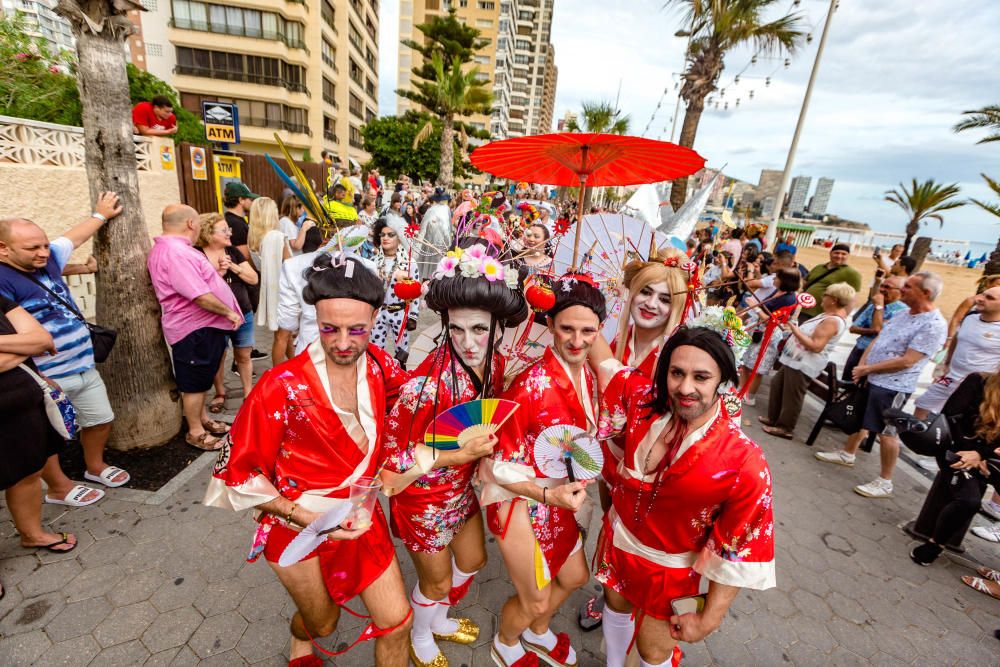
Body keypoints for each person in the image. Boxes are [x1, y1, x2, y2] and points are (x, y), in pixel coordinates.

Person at [204, 253, 412, 667]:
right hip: (297, 527)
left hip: (359, 517)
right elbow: (235, 475)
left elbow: (410, 411)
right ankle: (302, 640)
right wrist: (308, 519)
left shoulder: (382, 366)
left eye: (358, 330)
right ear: (313, 319)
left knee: (398, 622)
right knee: (323, 624)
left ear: (375, 322)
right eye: (329, 328)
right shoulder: (279, 386)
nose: (342, 343)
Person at [589, 324, 775, 667]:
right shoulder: (643, 400)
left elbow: (739, 546)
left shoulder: (743, 460)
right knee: (614, 609)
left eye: (700, 377)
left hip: (674, 572)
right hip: (617, 543)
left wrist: (710, 617)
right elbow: (603, 360)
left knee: (653, 651)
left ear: (721, 381)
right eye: (676, 373)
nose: (685, 388)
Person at [380, 246, 528, 666]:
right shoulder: (425, 386)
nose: (468, 342)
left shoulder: (497, 366)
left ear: (498, 328)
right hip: (421, 498)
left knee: (475, 559)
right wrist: (454, 454)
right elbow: (390, 476)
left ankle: (438, 618)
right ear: (445, 326)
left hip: (461, 494)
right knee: (438, 582)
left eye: (480, 329)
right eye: (457, 330)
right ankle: (421, 634)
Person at [482, 274, 605, 667]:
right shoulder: (530, 385)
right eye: (566, 328)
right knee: (535, 594)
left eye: (588, 331)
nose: (576, 340)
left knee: (572, 577)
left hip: (559, 496)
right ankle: (506, 640)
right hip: (519, 496)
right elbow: (498, 465)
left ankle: (537, 631)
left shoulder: (587, 375)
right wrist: (547, 495)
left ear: (600, 330)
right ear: (549, 325)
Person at [0, 193, 130, 503]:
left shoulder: (48, 260)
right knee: (47, 437)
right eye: (33, 248)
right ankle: (59, 487)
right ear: (3, 249)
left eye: (44, 244)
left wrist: (100, 216)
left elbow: (72, 238)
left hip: (83, 364)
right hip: (43, 374)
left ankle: (94, 466)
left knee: (100, 418)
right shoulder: (3, 280)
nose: (43, 252)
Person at [814, 272, 948, 498]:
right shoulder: (904, 313)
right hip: (873, 376)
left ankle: (885, 481)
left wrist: (868, 369)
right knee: (863, 418)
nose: (902, 289)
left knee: (887, 431)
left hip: (893, 384)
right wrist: (864, 365)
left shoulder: (934, 324)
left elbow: (908, 360)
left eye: (908, 286)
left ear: (925, 293)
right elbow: (879, 339)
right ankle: (848, 453)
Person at [148, 204, 242, 450]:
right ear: (191, 224)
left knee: (201, 380)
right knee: (194, 383)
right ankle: (195, 431)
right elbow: (198, 294)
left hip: (202, 328)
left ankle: (203, 419)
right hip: (194, 329)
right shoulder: (176, 252)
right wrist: (229, 311)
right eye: (197, 223)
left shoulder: (176, 249)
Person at [0, 294, 79, 581]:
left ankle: (32, 534)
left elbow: (42, 340)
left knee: (30, 472)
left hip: (22, 405)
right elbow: (31, 344)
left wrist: (29, 344)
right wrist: (23, 347)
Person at [908, 368, 1000, 565]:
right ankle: (936, 544)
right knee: (969, 501)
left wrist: (982, 454)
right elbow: (949, 418)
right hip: (955, 450)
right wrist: (974, 454)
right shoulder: (979, 381)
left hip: (986, 457)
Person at [759, 282, 855, 439]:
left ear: (834, 300)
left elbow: (816, 346)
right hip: (795, 360)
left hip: (803, 363)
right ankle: (773, 418)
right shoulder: (827, 315)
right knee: (778, 385)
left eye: (826, 295)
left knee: (792, 395)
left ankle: (785, 427)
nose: (822, 298)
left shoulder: (832, 321)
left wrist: (796, 331)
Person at [195, 213, 258, 412]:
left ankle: (249, 393)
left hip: (243, 312)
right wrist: (219, 274)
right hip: (214, 315)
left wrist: (233, 267)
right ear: (208, 233)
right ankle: (220, 393)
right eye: (224, 230)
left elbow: (253, 279)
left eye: (228, 229)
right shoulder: (197, 254)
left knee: (244, 355)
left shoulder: (233, 252)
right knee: (218, 356)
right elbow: (196, 288)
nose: (229, 233)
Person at [914, 285, 1000, 419]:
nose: (980, 299)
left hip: (976, 388)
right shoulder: (971, 318)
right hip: (949, 379)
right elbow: (958, 338)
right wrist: (946, 364)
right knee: (921, 409)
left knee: (954, 421)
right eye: (982, 294)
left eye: (989, 298)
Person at [737, 267, 802, 406]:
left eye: (777, 277)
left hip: (769, 333)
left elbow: (773, 319)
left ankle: (750, 396)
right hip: (758, 329)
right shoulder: (778, 291)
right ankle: (740, 390)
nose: (773, 279)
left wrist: (755, 307)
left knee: (757, 367)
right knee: (746, 362)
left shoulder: (789, 298)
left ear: (785, 281)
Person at [371, 218, 420, 366]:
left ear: (399, 237)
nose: (385, 238)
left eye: (390, 234)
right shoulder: (373, 261)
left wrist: (413, 316)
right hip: (378, 313)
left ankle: (400, 380)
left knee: (402, 352)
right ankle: (379, 378)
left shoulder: (409, 263)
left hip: (400, 313)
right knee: (375, 351)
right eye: (382, 235)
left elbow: (415, 293)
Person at [842, 276, 907, 381]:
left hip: (875, 358)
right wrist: (872, 330)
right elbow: (853, 328)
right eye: (882, 286)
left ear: (900, 291)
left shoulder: (902, 311)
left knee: (859, 391)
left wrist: (879, 307)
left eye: (887, 287)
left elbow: (878, 330)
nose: (882, 290)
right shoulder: (875, 304)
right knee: (846, 383)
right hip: (858, 349)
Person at [248, 197, 290, 334]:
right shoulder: (277, 237)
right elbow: (291, 265)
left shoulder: (254, 238)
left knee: (284, 336)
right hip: (284, 291)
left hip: (270, 289)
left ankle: (292, 356)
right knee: (282, 336)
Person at [799, 243, 863, 320]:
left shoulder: (852, 273)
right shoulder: (819, 267)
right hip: (805, 309)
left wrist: (842, 318)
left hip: (825, 314)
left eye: (843, 254)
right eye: (836, 253)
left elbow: (852, 299)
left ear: (848, 256)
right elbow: (805, 283)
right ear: (830, 253)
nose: (839, 256)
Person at [416, 188, 454, 281]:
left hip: (434, 242)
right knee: (434, 263)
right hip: (435, 241)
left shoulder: (437, 210)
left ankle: (431, 282)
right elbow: (447, 228)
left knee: (432, 263)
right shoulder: (437, 210)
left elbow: (448, 227)